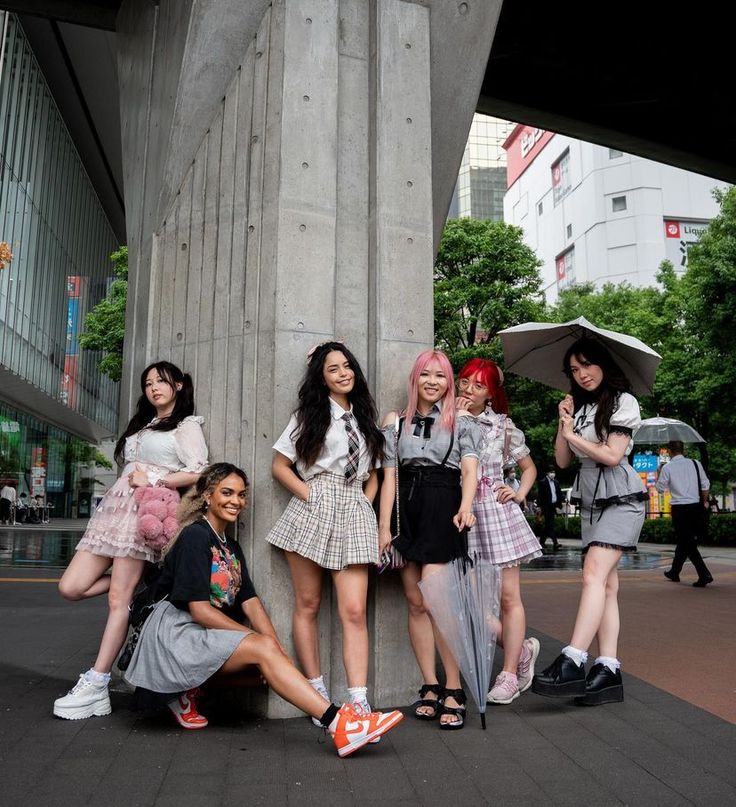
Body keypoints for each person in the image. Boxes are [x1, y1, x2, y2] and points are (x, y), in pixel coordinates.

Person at [123, 463, 403, 755]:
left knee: (266, 667)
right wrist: (260, 643)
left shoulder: (230, 546)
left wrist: (276, 648)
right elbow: (200, 612)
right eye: (227, 492)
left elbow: (251, 602)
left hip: (196, 636)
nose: (236, 501)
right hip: (171, 637)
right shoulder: (196, 536)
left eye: (241, 495)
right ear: (207, 495)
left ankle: (186, 690)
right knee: (263, 652)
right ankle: (340, 724)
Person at [53, 361, 208, 720]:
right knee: (71, 587)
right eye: (148, 382)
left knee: (116, 600)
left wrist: (157, 481)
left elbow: (200, 471)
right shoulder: (144, 424)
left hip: (142, 514)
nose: (154, 388)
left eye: (162, 381)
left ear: (179, 385)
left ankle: (97, 682)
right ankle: (145, 583)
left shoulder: (185, 426)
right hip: (112, 514)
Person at [266, 342, 384, 719]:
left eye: (347, 366)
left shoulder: (365, 416)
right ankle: (316, 696)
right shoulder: (308, 415)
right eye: (333, 369)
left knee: (353, 610)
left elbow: (376, 473)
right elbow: (280, 466)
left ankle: (360, 700)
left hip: (353, 507)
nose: (343, 373)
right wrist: (310, 495)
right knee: (309, 604)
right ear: (321, 376)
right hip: (316, 501)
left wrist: (365, 500)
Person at [531, 337, 648, 706]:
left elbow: (612, 456)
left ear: (603, 364)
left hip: (623, 498)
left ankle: (573, 658)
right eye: (574, 370)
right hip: (591, 502)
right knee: (607, 586)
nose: (582, 375)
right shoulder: (579, 410)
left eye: (587, 365)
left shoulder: (623, 402)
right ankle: (609, 669)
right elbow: (563, 461)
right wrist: (563, 423)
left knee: (592, 575)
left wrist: (573, 436)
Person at [378, 349, 480, 730]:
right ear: (415, 379)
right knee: (415, 602)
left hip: (444, 504)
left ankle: (454, 687)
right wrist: (384, 527)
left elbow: (469, 471)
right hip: (407, 508)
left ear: (449, 382)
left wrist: (466, 506)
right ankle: (431, 685)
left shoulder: (462, 422)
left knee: (437, 602)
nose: (433, 382)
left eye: (440, 376)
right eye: (426, 375)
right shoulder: (396, 422)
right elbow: (390, 477)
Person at [455, 358, 542, 706]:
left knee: (508, 598)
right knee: (471, 602)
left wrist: (518, 493)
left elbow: (529, 467)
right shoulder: (446, 418)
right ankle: (521, 651)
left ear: (491, 393)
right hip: (463, 512)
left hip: (496, 512)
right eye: (464, 382)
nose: (469, 390)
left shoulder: (503, 426)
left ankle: (507, 674)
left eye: (478, 385)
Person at [656, 440, 713, 587]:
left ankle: (704, 574)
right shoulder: (695, 463)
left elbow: (660, 489)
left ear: (670, 451)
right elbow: (705, 484)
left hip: (680, 508)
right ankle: (674, 572)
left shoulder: (667, 468)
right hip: (695, 506)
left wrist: (659, 473)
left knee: (687, 542)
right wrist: (705, 501)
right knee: (685, 540)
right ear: (683, 450)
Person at [536, 466, 562, 550]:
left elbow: (559, 494)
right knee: (550, 524)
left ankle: (541, 542)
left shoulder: (556, 483)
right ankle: (555, 542)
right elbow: (540, 495)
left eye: (553, 472)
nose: (552, 474)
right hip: (545, 506)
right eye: (551, 472)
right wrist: (539, 507)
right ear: (547, 473)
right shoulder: (543, 482)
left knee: (548, 525)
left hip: (553, 506)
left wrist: (559, 505)